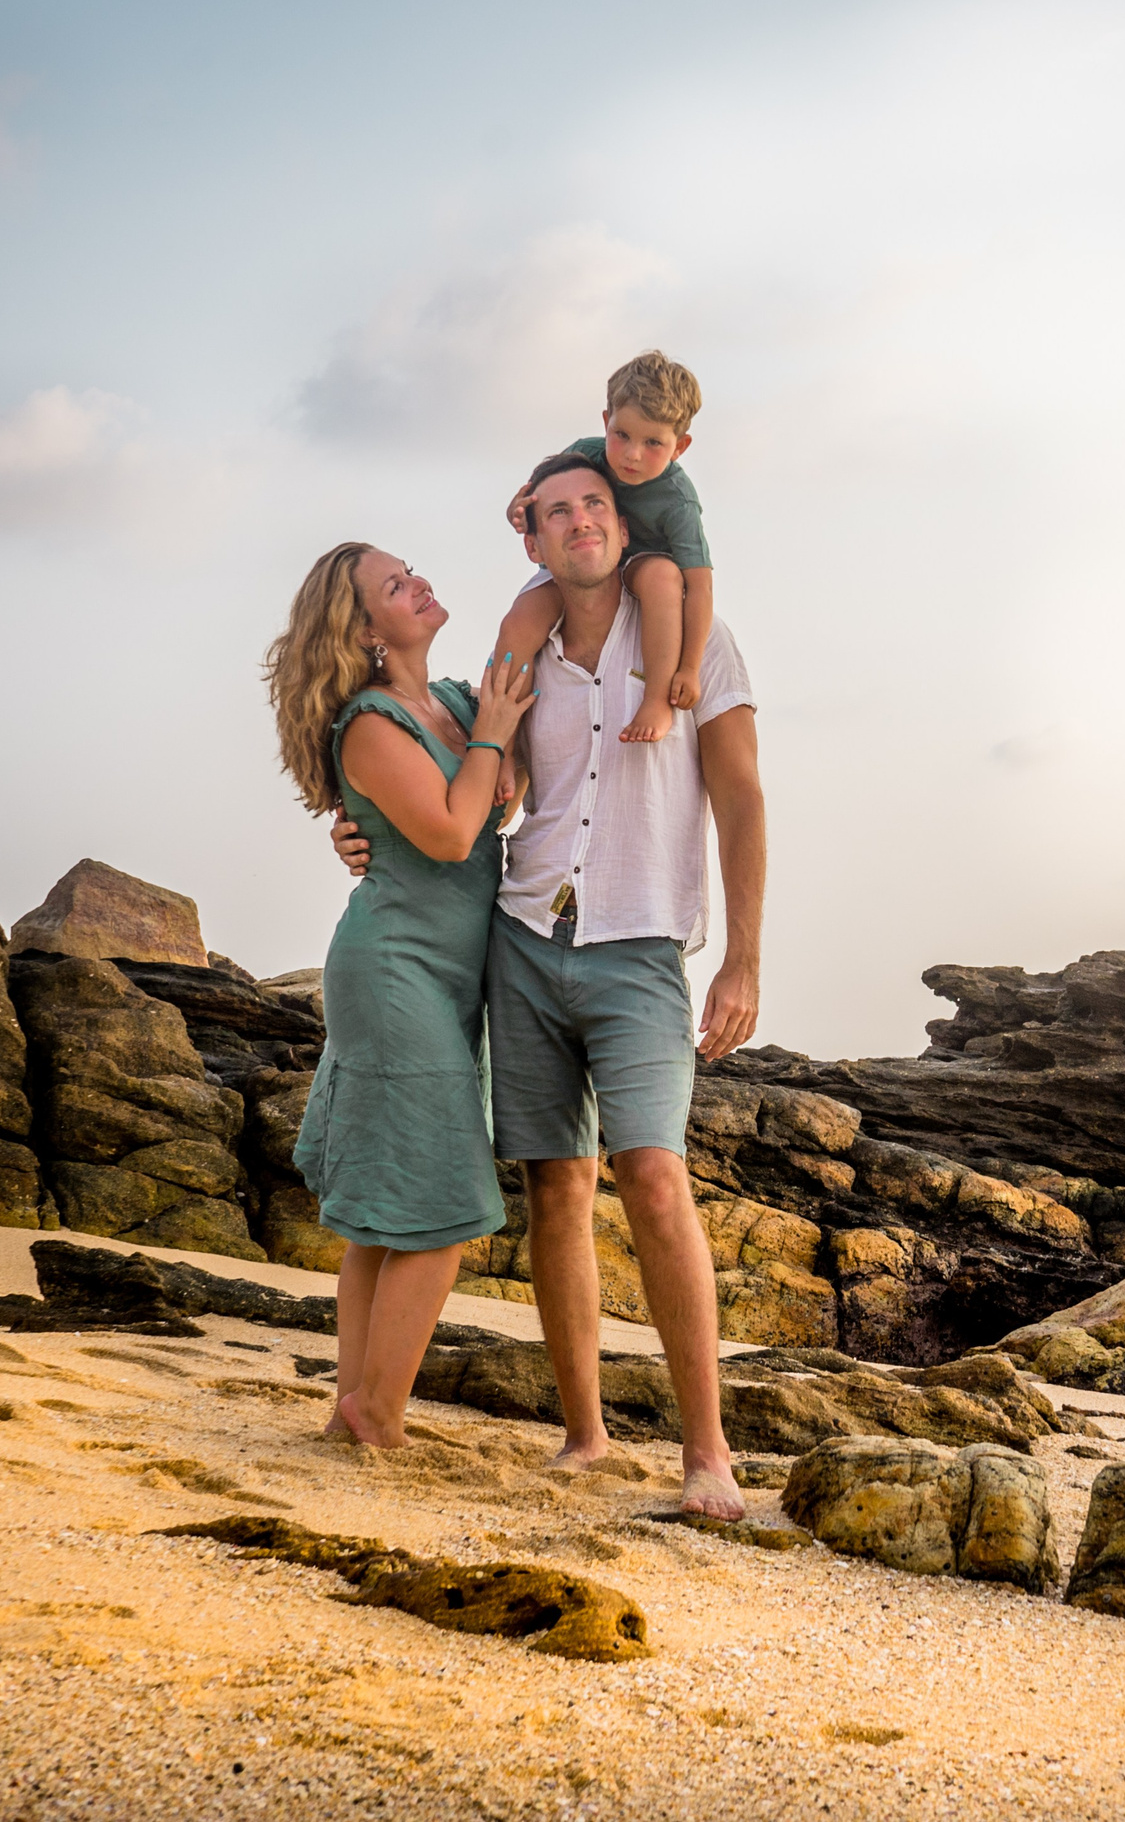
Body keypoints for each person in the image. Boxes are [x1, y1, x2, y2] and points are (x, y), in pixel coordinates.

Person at [335, 455, 767, 1518]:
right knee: (555, 1186)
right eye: (557, 510)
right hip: (523, 938)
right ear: (531, 536)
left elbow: (742, 796)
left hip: (641, 945)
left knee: (656, 1176)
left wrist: (744, 955)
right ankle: (585, 1434)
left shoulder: (697, 643)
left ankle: (706, 1452)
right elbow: (458, 774)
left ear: (625, 523)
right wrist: (359, 833)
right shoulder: (511, 658)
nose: (580, 521)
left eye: (596, 504)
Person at [267, 541, 535, 1448]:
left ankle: (352, 1413)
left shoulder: (458, 701)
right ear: (365, 629)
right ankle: (378, 1415)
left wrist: (495, 740)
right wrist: (494, 739)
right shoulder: (372, 724)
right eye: (395, 585)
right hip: (393, 972)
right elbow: (458, 834)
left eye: (410, 568)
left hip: (454, 980)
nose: (419, 582)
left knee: (384, 1219)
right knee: (438, 1204)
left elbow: (506, 782)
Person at [496, 350, 713, 746]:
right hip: (579, 564)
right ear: (605, 421)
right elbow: (539, 493)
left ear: (680, 447)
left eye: (653, 443)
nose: (632, 454)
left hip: (635, 565)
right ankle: (501, 745)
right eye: (622, 435)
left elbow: (699, 586)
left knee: (663, 576)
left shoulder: (677, 500)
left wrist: (690, 667)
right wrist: (517, 508)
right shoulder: (587, 452)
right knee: (522, 617)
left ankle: (655, 700)